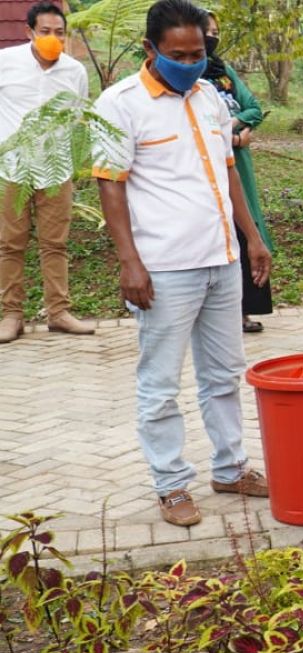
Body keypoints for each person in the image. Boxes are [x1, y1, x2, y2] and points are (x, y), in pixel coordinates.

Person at [92, 0, 272, 527]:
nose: (191, 62)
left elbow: (229, 171)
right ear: (151, 50)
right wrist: (130, 262)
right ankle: (171, 484)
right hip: (165, 269)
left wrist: (253, 238)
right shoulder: (120, 104)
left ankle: (231, 466)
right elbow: (110, 184)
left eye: (199, 53)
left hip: (222, 259)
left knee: (224, 374)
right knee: (161, 382)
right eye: (179, 54)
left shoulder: (211, 99)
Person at [0, 2, 93, 343]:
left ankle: (59, 312)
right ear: (29, 32)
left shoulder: (74, 72)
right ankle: (11, 315)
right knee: (10, 245)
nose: (53, 38)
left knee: (55, 244)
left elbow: (77, 117)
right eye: (45, 32)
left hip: (57, 171)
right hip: (13, 170)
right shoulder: (5, 63)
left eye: (59, 32)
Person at [201, 9, 274, 334]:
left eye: (216, 31)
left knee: (245, 230)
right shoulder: (187, 77)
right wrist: (229, 137)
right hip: (206, 171)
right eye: (207, 31)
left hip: (237, 167)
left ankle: (245, 310)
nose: (212, 37)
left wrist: (237, 126)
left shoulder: (224, 72)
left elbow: (253, 108)